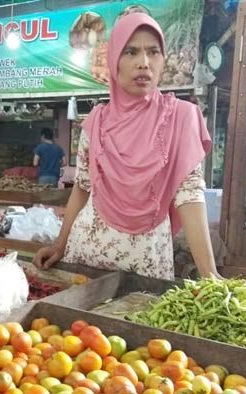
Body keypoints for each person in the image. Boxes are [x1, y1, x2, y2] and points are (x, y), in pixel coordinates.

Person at [33, 13, 221, 280]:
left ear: (162, 59)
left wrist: (209, 273)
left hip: (146, 259)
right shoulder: (96, 123)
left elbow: (190, 196)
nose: (143, 63)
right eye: (130, 52)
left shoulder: (182, 118)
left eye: (153, 52)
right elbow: (83, 187)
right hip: (88, 253)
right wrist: (59, 244)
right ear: (114, 62)